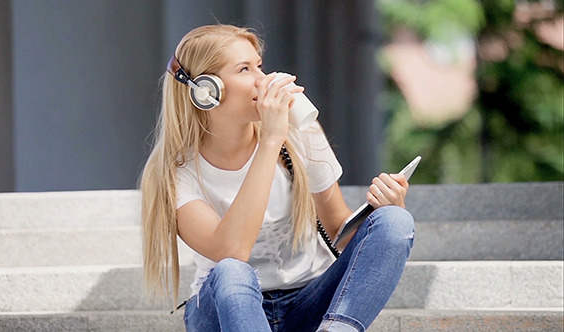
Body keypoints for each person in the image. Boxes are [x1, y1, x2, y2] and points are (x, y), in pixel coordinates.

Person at [140, 24, 415, 332]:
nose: (263, 79)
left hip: (308, 301)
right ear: (206, 90)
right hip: (227, 311)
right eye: (244, 69)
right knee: (231, 271)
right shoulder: (175, 172)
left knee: (395, 221)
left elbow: (340, 229)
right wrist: (271, 141)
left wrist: (388, 211)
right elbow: (231, 252)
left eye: (259, 65)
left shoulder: (300, 134)